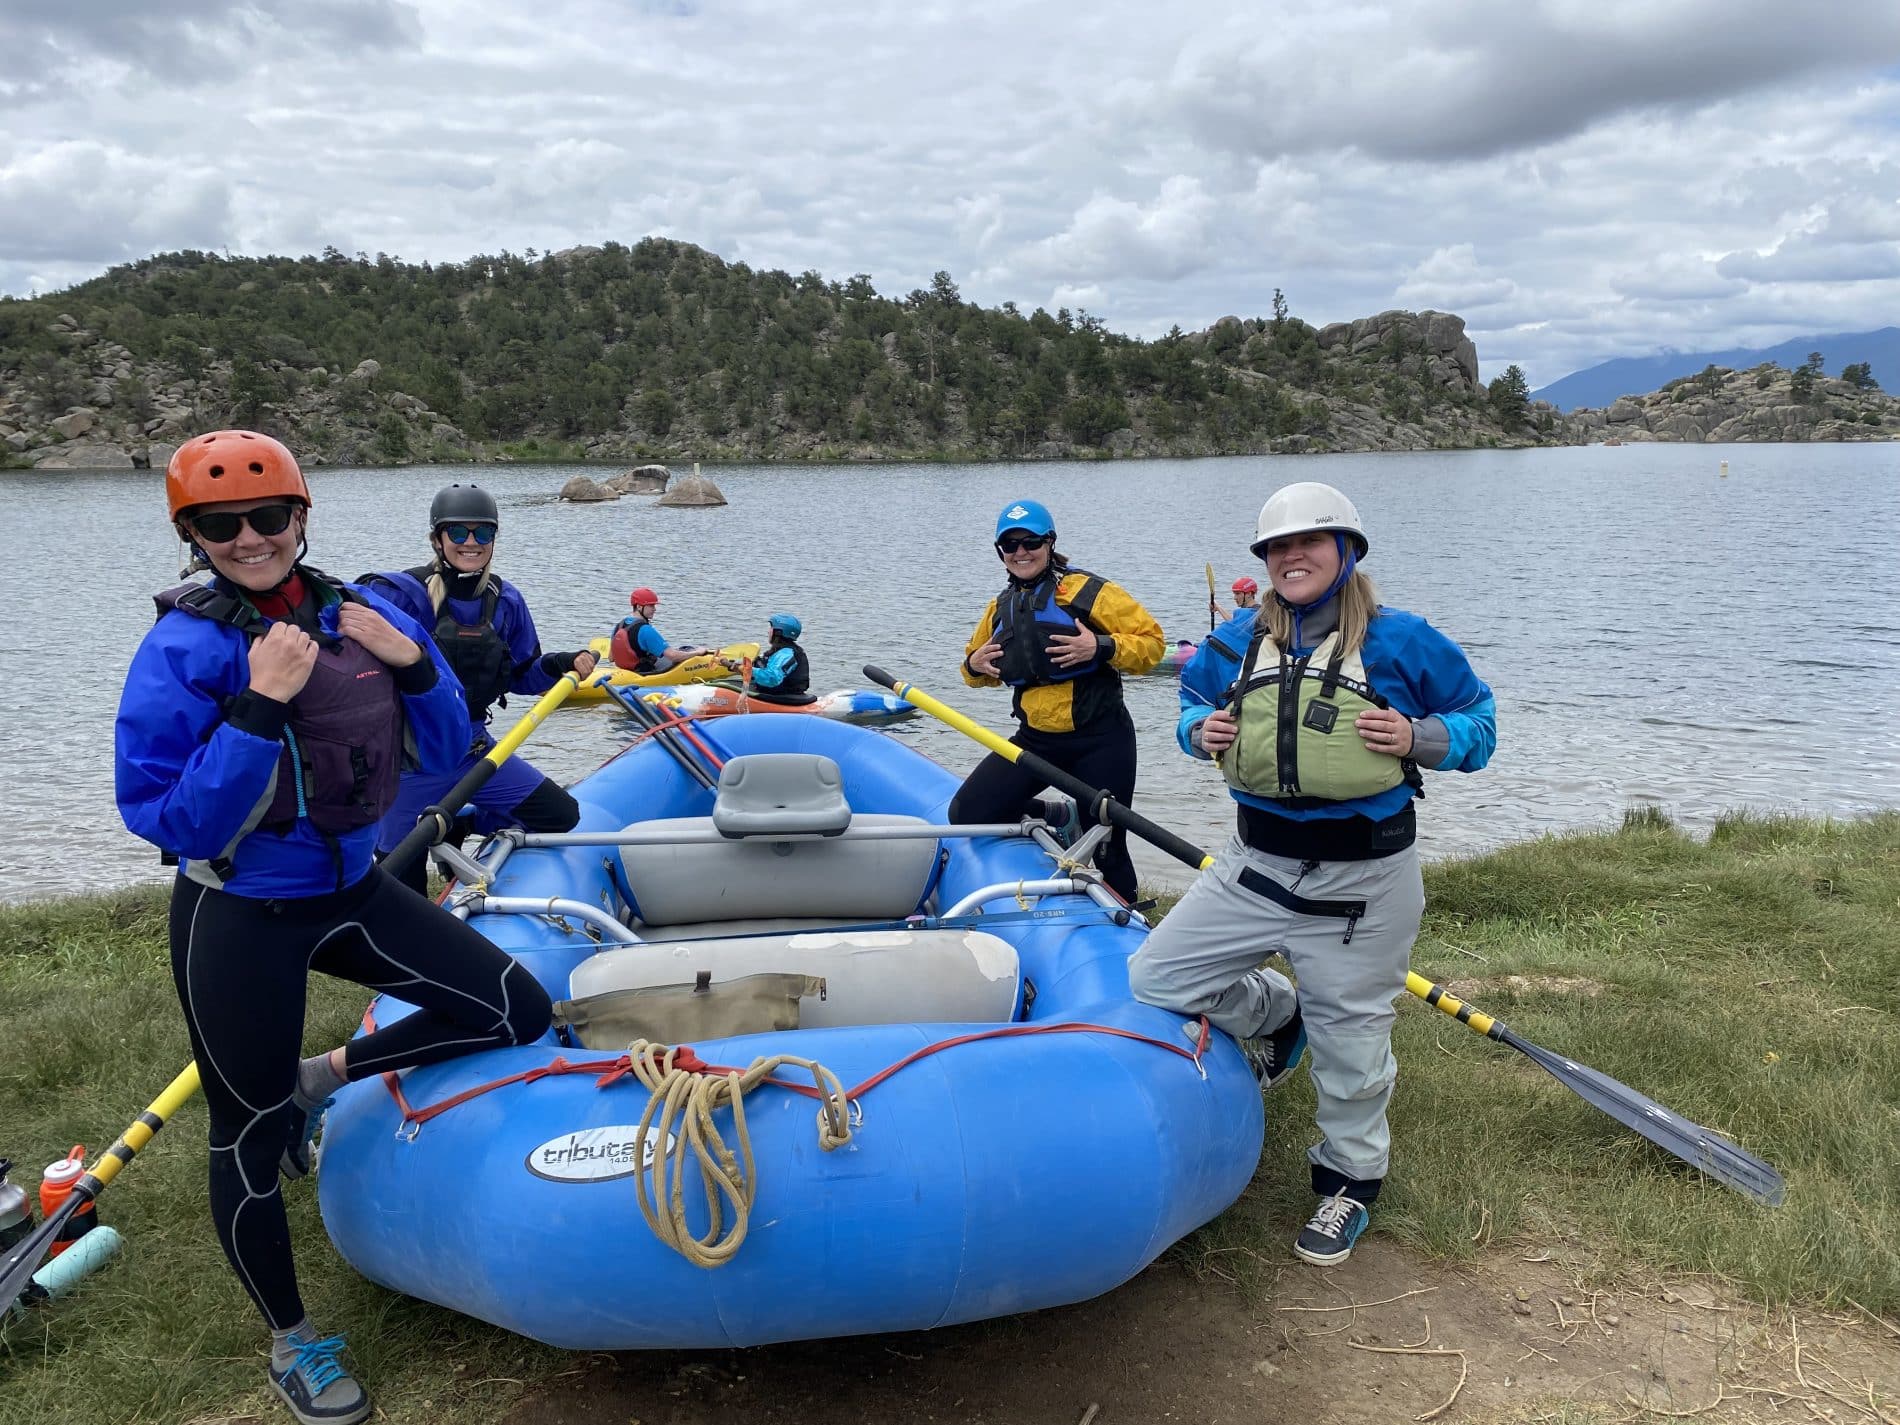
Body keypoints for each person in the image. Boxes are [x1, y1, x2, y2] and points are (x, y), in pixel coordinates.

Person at [115, 432, 554, 1425]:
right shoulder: (182, 647)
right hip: (238, 910)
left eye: (269, 517)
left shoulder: (368, 612)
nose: (250, 538)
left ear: (301, 518)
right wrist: (261, 705)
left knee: (514, 1008)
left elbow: (447, 749)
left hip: (354, 886)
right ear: (190, 534)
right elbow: (167, 818)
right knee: (250, 1130)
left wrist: (413, 664)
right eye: (220, 525)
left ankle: (326, 1078)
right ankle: (293, 1340)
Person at [1128, 481, 1495, 1268]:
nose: (1292, 557)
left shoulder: (1403, 643)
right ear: (1265, 562)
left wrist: (1418, 733)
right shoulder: (1234, 641)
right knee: (1156, 977)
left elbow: (1482, 725)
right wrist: (1199, 730)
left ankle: (1349, 1182)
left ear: (1346, 552)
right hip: (1254, 868)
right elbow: (1189, 704)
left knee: (1353, 1044)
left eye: (1310, 543)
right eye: (1278, 548)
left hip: (1363, 884)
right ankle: (1275, 1011)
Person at [358, 484, 596, 895]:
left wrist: (558, 663)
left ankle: (461, 822)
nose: (471, 543)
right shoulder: (396, 595)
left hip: (474, 754)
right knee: (404, 887)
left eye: (483, 534)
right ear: (437, 539)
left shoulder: (506, 601)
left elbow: (522, 675)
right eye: (459, 533)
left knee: (561, 814)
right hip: (408, 764)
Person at [950, 498, 1165, 902]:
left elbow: (1153, 646)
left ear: (1049, 543)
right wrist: (974, 665)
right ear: (1001, 553)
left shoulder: (1090, 593)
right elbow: (973, 672)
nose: (1020, 553)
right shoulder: (1000, 607)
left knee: (1108, 847)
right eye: (1009, 546)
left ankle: (1133, 923)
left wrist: (1100, 646)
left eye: (1030, 542)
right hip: (1036, 743)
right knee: (967, 814)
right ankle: (1058, 817)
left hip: (1101, 740)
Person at [610, 587, 706, 673]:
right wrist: (697, 653)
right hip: (643, 672)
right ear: (639, 606)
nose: (654, 609)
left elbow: (611, 658)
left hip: (624, 671)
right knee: (679, 654)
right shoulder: (646, 630)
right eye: (651, 606)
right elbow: (673, 656)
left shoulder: (619, 626)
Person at [741, 613, 814, 705]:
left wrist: (745, 669)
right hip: (777, 692)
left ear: (778, 633)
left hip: (782, 698)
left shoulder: (786, 654)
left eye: (771, 628)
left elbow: (772, 678)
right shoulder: (780, 651)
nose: (768, 632)